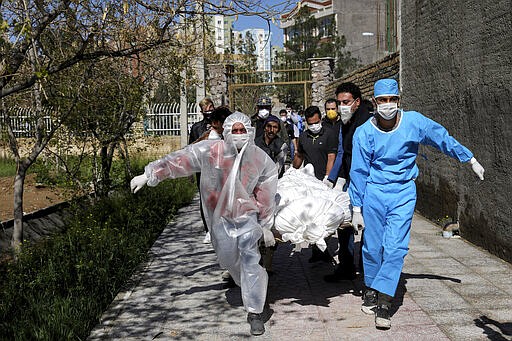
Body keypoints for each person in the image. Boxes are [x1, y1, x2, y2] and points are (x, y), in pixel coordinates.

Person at [349, 78, 485, 330]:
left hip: (402, 191)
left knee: (395, 248)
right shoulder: (364, 133)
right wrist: (356, 208)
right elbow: (358, 171)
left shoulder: (414, 122)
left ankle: (385, 303)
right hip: (374, 192)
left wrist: (469, 158)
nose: (388, 105)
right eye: (382, 100)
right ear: (375, 103)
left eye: (392, 100)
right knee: (372, 247)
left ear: (399, 101)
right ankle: (370, 287)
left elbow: (441, 138)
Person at [130, 112, 279, 336]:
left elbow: (267, 186)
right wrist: (150, 174)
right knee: (227, 257)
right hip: (220, 218)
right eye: (235, 130)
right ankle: (245, 282)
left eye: (243, 130)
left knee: (250, 257)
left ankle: (255, 310)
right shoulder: (212, 151)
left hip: (247, 215)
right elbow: (180, 160)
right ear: (227, 132)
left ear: (249, 131)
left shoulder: (259, 157)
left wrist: (266, 224)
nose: (239, 135)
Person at [324, 82, 373, 282]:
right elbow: (343, 152)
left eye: (346, 102)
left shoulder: (367, 123)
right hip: (351, 179)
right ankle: (346, 265)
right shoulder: (346, 121)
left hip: (369, 181)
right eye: (339, 102)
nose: (342, 106)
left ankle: (366, 267)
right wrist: (333, 180)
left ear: (357, 102)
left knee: (368, 225)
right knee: (344, 222)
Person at [293, 105, 338, 263]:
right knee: (312, 216)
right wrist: (292, 171)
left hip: (325, 181)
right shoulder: (304, 137)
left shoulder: (329, 134)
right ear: (306, 122)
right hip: (309, 182)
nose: (314, 126)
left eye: (316, 122)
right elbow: (299, 156)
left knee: (326, 216)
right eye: (310, 123)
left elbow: (331, 156)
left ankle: (323, 248)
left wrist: (328, 177)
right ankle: (317, 250)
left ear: (320, 119)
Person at [254, 115, 288, 274]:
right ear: (264, 127)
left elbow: (278, 168)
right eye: (269, 126)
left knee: (270, 225)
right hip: (253, 188)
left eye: (275, 127)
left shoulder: (281, 146)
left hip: (272, 189)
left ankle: (267, 264)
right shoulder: (254, 143)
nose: (271, 130)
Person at [189, 98, 215, 242]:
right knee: (205, 199)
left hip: (218, 167)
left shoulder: (220, 125)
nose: (209, 110)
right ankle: (208, 229)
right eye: (206, 108)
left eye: (211, 106)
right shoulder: (196, 128)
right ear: (202, 111)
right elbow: (191, 149)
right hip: (202, 168)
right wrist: (191, 172)